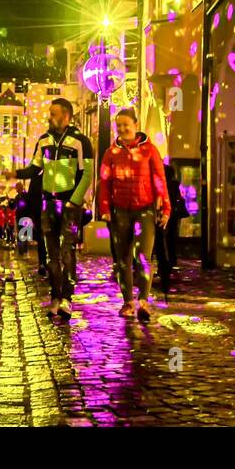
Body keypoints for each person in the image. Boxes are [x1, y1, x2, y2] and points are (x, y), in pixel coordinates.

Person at [4, 98, 94, 320]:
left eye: (54, 114)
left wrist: (74, 200)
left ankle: (67, 298)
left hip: (70, 205)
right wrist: (16, 174)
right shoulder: (43, 140)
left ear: (66, 116)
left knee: (67, 251)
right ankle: (55, 296)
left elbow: (87, 173)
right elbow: (36, 168)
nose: (49, 117)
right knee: (52, 253)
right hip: (48, 203)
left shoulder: (81, 141)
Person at [96, 108, 171, 322]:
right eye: (118, 125)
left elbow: (159, 179)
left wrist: (165, 208)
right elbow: (105, 183)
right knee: (122, 259)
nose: (121, 129)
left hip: (144, 209)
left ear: (135, 124)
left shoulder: (149, 150)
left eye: (125, 124)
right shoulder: (111, 153)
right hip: (120, 211)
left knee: (144, 257)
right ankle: (128, 301)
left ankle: (144, 301)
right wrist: (105, 209)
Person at [153, 163, 188, 294]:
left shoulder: (164, 185)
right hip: (173, 217)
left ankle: (164, 269)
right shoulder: (175, 184)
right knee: (170, 241)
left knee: (163, 242)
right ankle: (170, 264)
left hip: (165, 216)